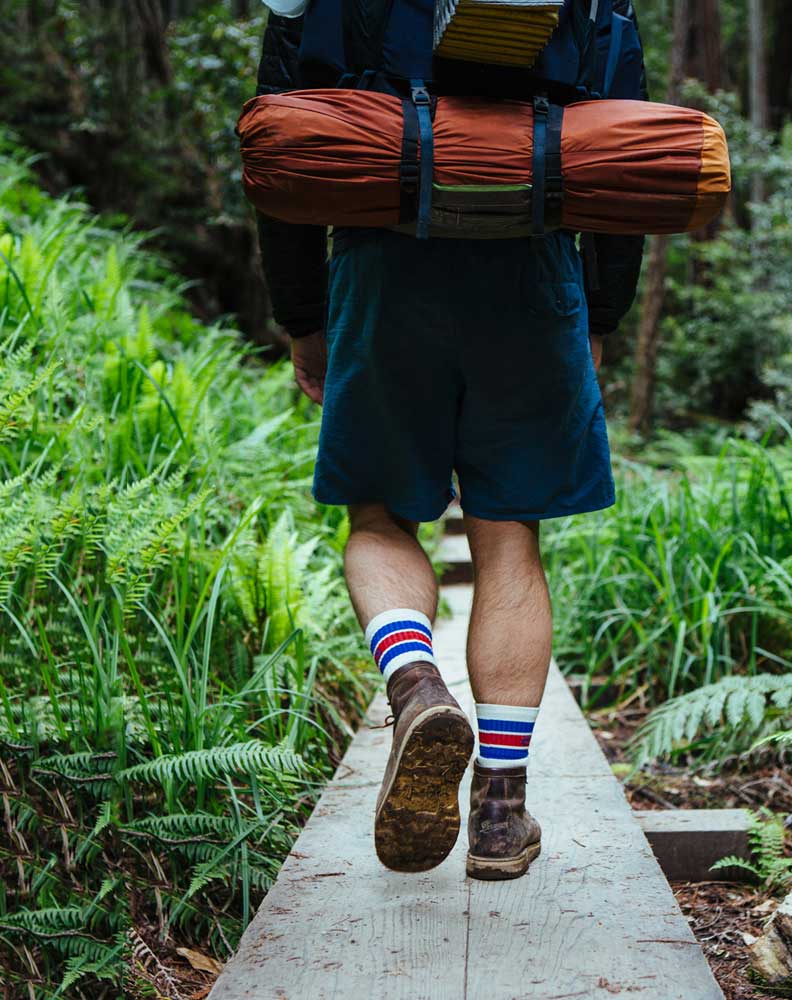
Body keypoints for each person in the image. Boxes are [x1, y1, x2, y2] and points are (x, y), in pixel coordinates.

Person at [253, 3, 646, 879]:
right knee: (510, 536)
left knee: (382, 518)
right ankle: (502, 818)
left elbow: (281, 150)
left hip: (383, 264)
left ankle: (416, 687)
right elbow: (623, 151)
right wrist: (600, 314)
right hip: (535, 267)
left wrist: (301, 313)